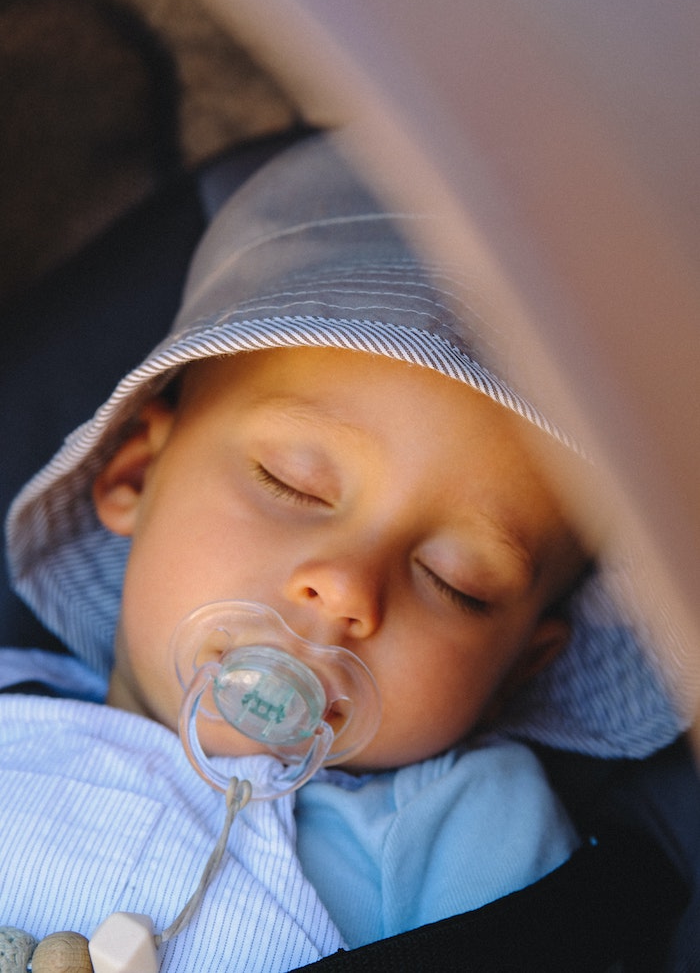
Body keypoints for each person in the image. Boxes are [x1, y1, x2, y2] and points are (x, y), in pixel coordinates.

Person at [1, 132, 683, 971]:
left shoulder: (448, 828)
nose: (346, 588)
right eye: (293, 485)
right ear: (136, 473)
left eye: (456, 582)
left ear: (517, 672)